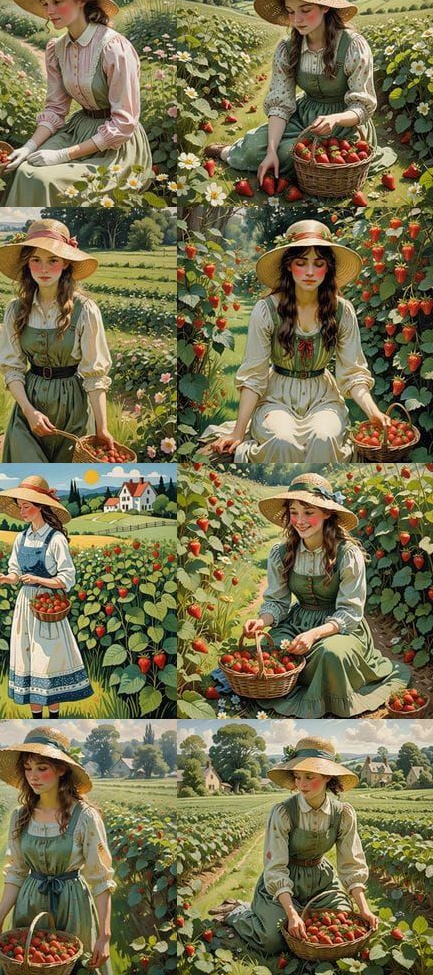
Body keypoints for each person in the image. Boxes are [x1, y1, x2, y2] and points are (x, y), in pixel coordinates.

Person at [204, 220, 389, 463]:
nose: (310, 272)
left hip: (323, 397)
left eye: (319, 263)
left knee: (323, 437)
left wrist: (373, 412)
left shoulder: (342, 311)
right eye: (301, 263)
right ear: (289, 266)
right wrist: (238, 431)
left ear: (328, 268)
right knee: (282, 439)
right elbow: (254, 375)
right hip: (276, 396)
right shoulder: (267, 310)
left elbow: (353, 372)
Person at [205, 0, 395, 181]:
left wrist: (336, 119)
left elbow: (362, 106)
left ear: (325, 7)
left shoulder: (353, 45)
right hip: (304, 118)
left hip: (346, 124)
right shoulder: (287, 49)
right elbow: (281, 104)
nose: (296, 20)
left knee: (331, 158)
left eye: (305, 10)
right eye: (290, 11)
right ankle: (227, 151)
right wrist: (271, 150)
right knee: (264, 149)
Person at [241, 474, 410, 717]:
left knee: (330, 654)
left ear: (327, 513)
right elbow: (277, 602)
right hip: (299, 620)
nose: (300, 520)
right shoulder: (282, 553)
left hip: (339, 628)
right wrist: (262, 621)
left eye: (309, 512)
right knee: (274, 649)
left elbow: (350, 612)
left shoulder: (348, 554)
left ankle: (328, 690)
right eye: (294, 511)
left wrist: (314, 634)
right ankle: (297, 680)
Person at [2, 0, 152, 205]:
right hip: (79, 129)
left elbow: (124, 123)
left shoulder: (114, 47)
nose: (50, 11)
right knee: (25, 167)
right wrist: (29, 146)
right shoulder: (57, 49)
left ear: (82, 0)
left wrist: (63, 155)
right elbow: (55, 109)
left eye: (58, 2)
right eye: (45, 3)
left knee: (44, 180)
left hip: (116, 144)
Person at [210, 736, 378, 957]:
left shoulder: (343, 813)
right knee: (273, 939)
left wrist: (364, 909)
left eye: (310, 777)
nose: (301, 784)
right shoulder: (283, 812)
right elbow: (276, 867)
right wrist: (291, 914)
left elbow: (351, 864)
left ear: (327, 777)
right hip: (284, 881)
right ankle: (238, 912)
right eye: (298, 777)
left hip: (322, 882)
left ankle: (293, 916)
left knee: (341, 924)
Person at [0, 727, 114, 973]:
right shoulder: (20, 817)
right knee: (30, 964)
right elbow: (16, 872)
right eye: (28, 768)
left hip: (73, 906)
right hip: (29, 903)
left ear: (62, 769)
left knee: (73, 965)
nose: (33, 776)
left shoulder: (85, 817)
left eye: (42, 768)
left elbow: (101, 878)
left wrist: (105, 936)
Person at [0, 219, 114, 462]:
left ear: (66, 264)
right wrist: (29, 412)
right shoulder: (16, 309)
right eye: (35, 260)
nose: (44, 269)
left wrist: (102, 428)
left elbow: (95, 375)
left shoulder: (86, 310)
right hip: (30, 401)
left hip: (73, 407)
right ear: (27, 264)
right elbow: (12, 369)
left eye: (53, 260)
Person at [0, 477, 93, 716]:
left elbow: (67, 579)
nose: (23, 511)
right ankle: (36, 716)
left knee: (47, 663)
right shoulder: (21, 538)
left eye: (27, 506)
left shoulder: (56, 539)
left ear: (40, 507)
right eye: (20, 506)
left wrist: (39, 580)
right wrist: (5, 579)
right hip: (26, 606)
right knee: (28, 661)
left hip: (48, 607)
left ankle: (54, 716)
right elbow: (15, 572)